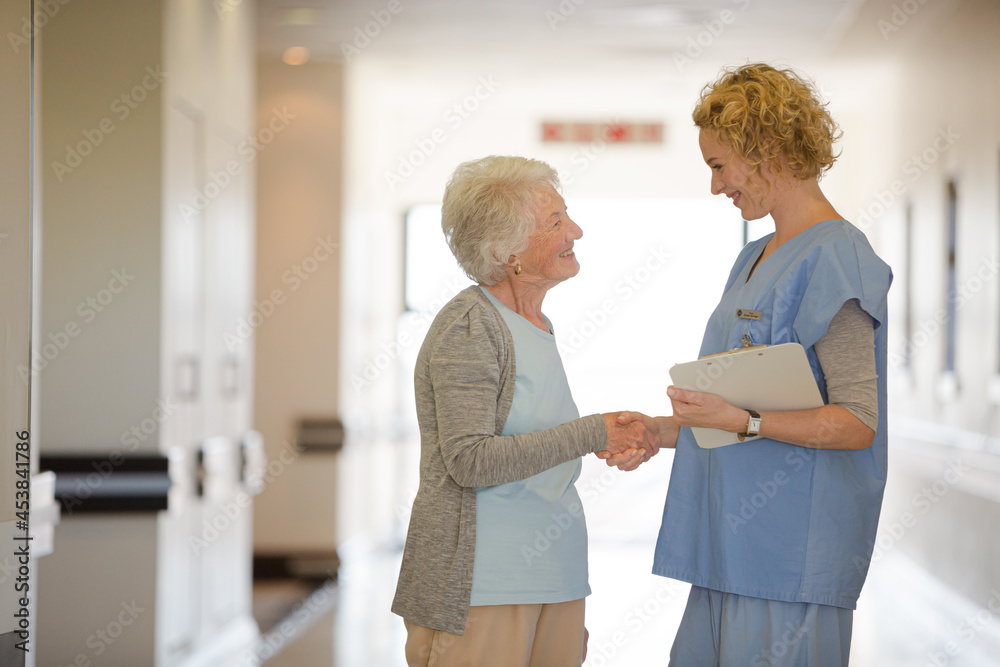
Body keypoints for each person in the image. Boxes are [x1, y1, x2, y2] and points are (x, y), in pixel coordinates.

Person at [610, 63, 893, 664]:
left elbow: (856, 421)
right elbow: (737, 402)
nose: (716, 187)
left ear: (766, 149)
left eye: (718, 165)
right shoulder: (754, 258)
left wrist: (746, 421)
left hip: (791, 563)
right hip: (727, 552)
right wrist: (657, 430)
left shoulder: (839, 257)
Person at [392, 155, 660, 667]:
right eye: (556, 222)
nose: (575, 230)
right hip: (481, 586)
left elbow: (545, 451)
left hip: (550, 579)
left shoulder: (536, 324)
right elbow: (470, 460)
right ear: (507, 251)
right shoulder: (470, 327)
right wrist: (591, 432)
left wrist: (610, 435)